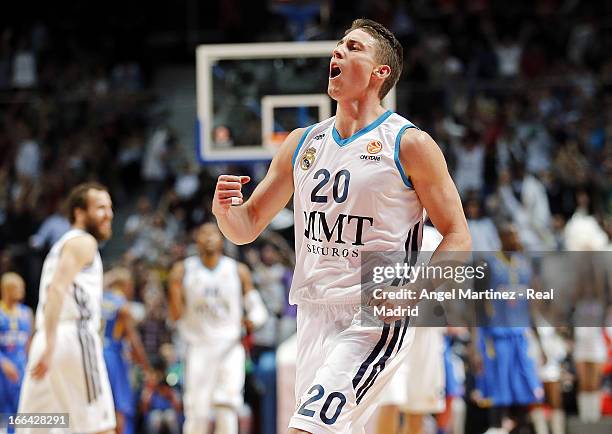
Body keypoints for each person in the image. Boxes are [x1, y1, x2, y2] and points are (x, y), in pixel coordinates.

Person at [212, 18, 471, 434]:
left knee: (305, 430)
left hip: (373, 314)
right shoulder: (302, 142)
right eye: (338, 46)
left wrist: (413, 294)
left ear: (379, 72)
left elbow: (459, 236)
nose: (337, 52)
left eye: (352, 47)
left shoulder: (410, 144)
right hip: (313, 312)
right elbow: (247, 228)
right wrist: (226, 212)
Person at [17, 182, 116, 434]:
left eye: (110, 207)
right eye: (101, 208)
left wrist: (47, 343)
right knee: (98, 427)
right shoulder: (84, 242)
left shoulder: (60, 246)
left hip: (46, 339)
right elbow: (56, 290)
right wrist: (53, 343)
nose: (109, 214)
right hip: (72, 338)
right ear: (79, 213)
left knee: (35, 425)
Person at [168, 223, 268, 434]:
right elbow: (175, 315)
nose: (209, 238)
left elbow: (258, 309)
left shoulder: (237, 270)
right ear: (196, 240)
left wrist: (253, 320)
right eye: (203, 234)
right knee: (197, 411)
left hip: (229, 346)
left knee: (226, 406)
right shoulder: (183, 270)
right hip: (198, 346)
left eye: (213, 233)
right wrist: (174, 289)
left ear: (222, 240)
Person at [470, 224, 544, 434]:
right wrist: (476, 345)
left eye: (517, 234)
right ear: (501, 237)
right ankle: (496, 428)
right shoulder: (488, 264)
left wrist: (540, 343)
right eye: (511, 234)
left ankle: (519, 428)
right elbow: (477, 307)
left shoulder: (525, 265)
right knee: (498, 391)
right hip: (497, 337)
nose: (516, 238)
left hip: (520, 337)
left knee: (526, 390)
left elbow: (531, 307)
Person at [102, 267, 153, 434]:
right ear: (127, 285)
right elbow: (134, 341)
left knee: (101, 406)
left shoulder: (97, 300)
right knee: (119, 407)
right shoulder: (122, 305)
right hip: (113, 356)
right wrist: (146, 368)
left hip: (94, 354)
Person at [0, 272, 32, 433]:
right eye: (17, 287)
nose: (21, 291)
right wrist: (3, 363)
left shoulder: (27, 313)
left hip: (21, 368)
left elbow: (28, 343)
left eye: (22, 287)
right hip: (3, 369)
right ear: (5, 289)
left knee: (20, 411)